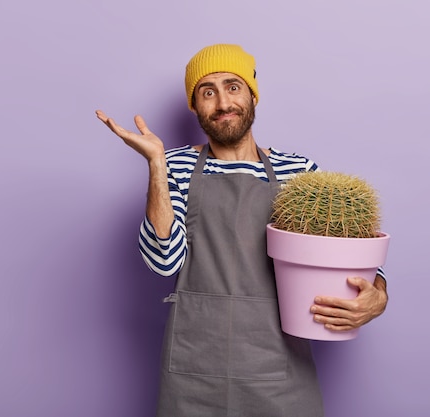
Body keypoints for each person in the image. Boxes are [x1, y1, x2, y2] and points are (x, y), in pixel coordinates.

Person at [96, 44, 388, 416]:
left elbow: (346, 252)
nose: (222, 102)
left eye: (233, 86)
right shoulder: (176, 167)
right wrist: (156, 165)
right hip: (193, 372)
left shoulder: (299, 172)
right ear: (195, 106)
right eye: (207, 92)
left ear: (252, 94)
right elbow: (163, 263)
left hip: (280, 370)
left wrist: (377, 294)